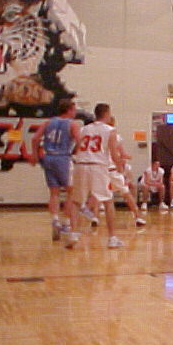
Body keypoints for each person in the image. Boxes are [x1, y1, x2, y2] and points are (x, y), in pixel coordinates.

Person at [66, 103, 124, 249]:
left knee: (76, 202)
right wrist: (119, 166)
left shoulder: (84, 129)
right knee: (108, 201)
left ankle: (73, 234)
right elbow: (113, 153)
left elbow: (76, 149)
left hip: (81, 164)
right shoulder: (110, 130)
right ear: (107, 114)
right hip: (97, 166)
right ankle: (112, 238)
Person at [28, 99, 81, 241]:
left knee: (54, 192)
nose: (75, 112)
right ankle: (66, 223)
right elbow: (80, 141)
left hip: (48, 157)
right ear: (69, 110)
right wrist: (75, 153)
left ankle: (55, 220)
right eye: (74, 109)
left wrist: (34, 155)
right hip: (63, 158)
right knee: (71, 192)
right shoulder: (72, 124)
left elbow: (35, 139)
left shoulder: (48, 122)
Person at [104, 117, 146, 226]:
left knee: (95, 195)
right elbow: (121, 154)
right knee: (126, 193)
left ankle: (93, 217)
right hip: (113, 169)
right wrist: (124, 160)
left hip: (100, 169)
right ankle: (137, 216)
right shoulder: (115, 136)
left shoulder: (99, 135)